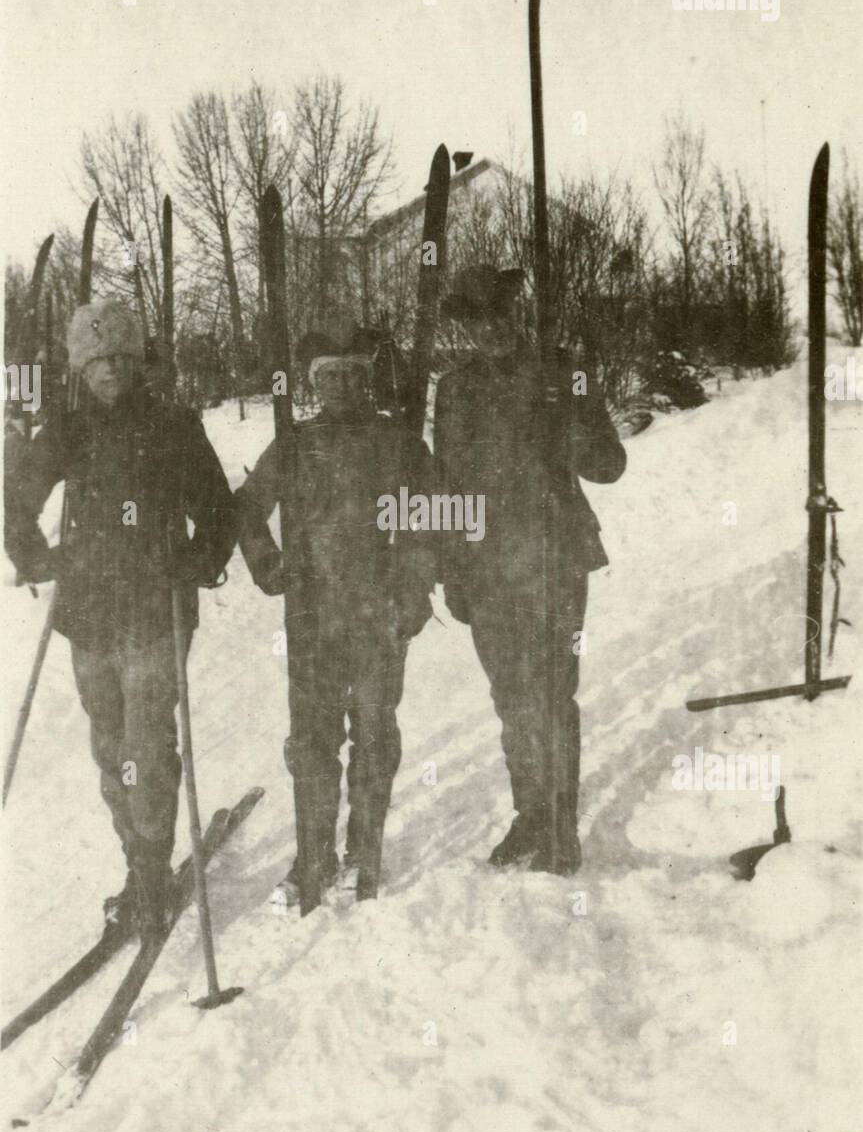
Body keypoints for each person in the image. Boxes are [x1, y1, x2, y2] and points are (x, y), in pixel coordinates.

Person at [4, 299, 235, 938]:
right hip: (88, 613)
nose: (109, 370)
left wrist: (192, 560)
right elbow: (15, 497)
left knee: (147, 747)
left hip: (155, 613)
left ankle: (153, 876)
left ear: (137, 362)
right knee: (112, 751)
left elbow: (218, 510)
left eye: (120, 358)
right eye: (96, 360)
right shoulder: (67, 432)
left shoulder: (173, 426)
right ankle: (139, 863)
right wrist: (32, 553)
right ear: (81, 368)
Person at [434, 265, 626, 874]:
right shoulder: (455, 388)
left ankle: (562, 827)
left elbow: (609, 463)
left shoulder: (560, 371)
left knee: (551, 694)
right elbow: (446, 481)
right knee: (510, 698)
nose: (487, 330)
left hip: (554, 556)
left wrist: (568, 428)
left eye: (496, 316)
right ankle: (531, 814)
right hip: (487, 564)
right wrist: (453, 569)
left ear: (513, 314)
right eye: (473, 321)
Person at [236, 321, 436, 906]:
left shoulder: (398, 442)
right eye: (329, 376)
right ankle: (313, 855)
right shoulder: (293, 443)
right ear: (313, 384)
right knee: (312, 741)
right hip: (312, 619)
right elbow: (246, 510)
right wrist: (269, 564)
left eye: (353, 375)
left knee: (374, 733)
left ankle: (363, 853)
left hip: (380, 615)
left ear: (367, 381)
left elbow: (429, 518)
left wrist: (415, 586)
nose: (342, 386)